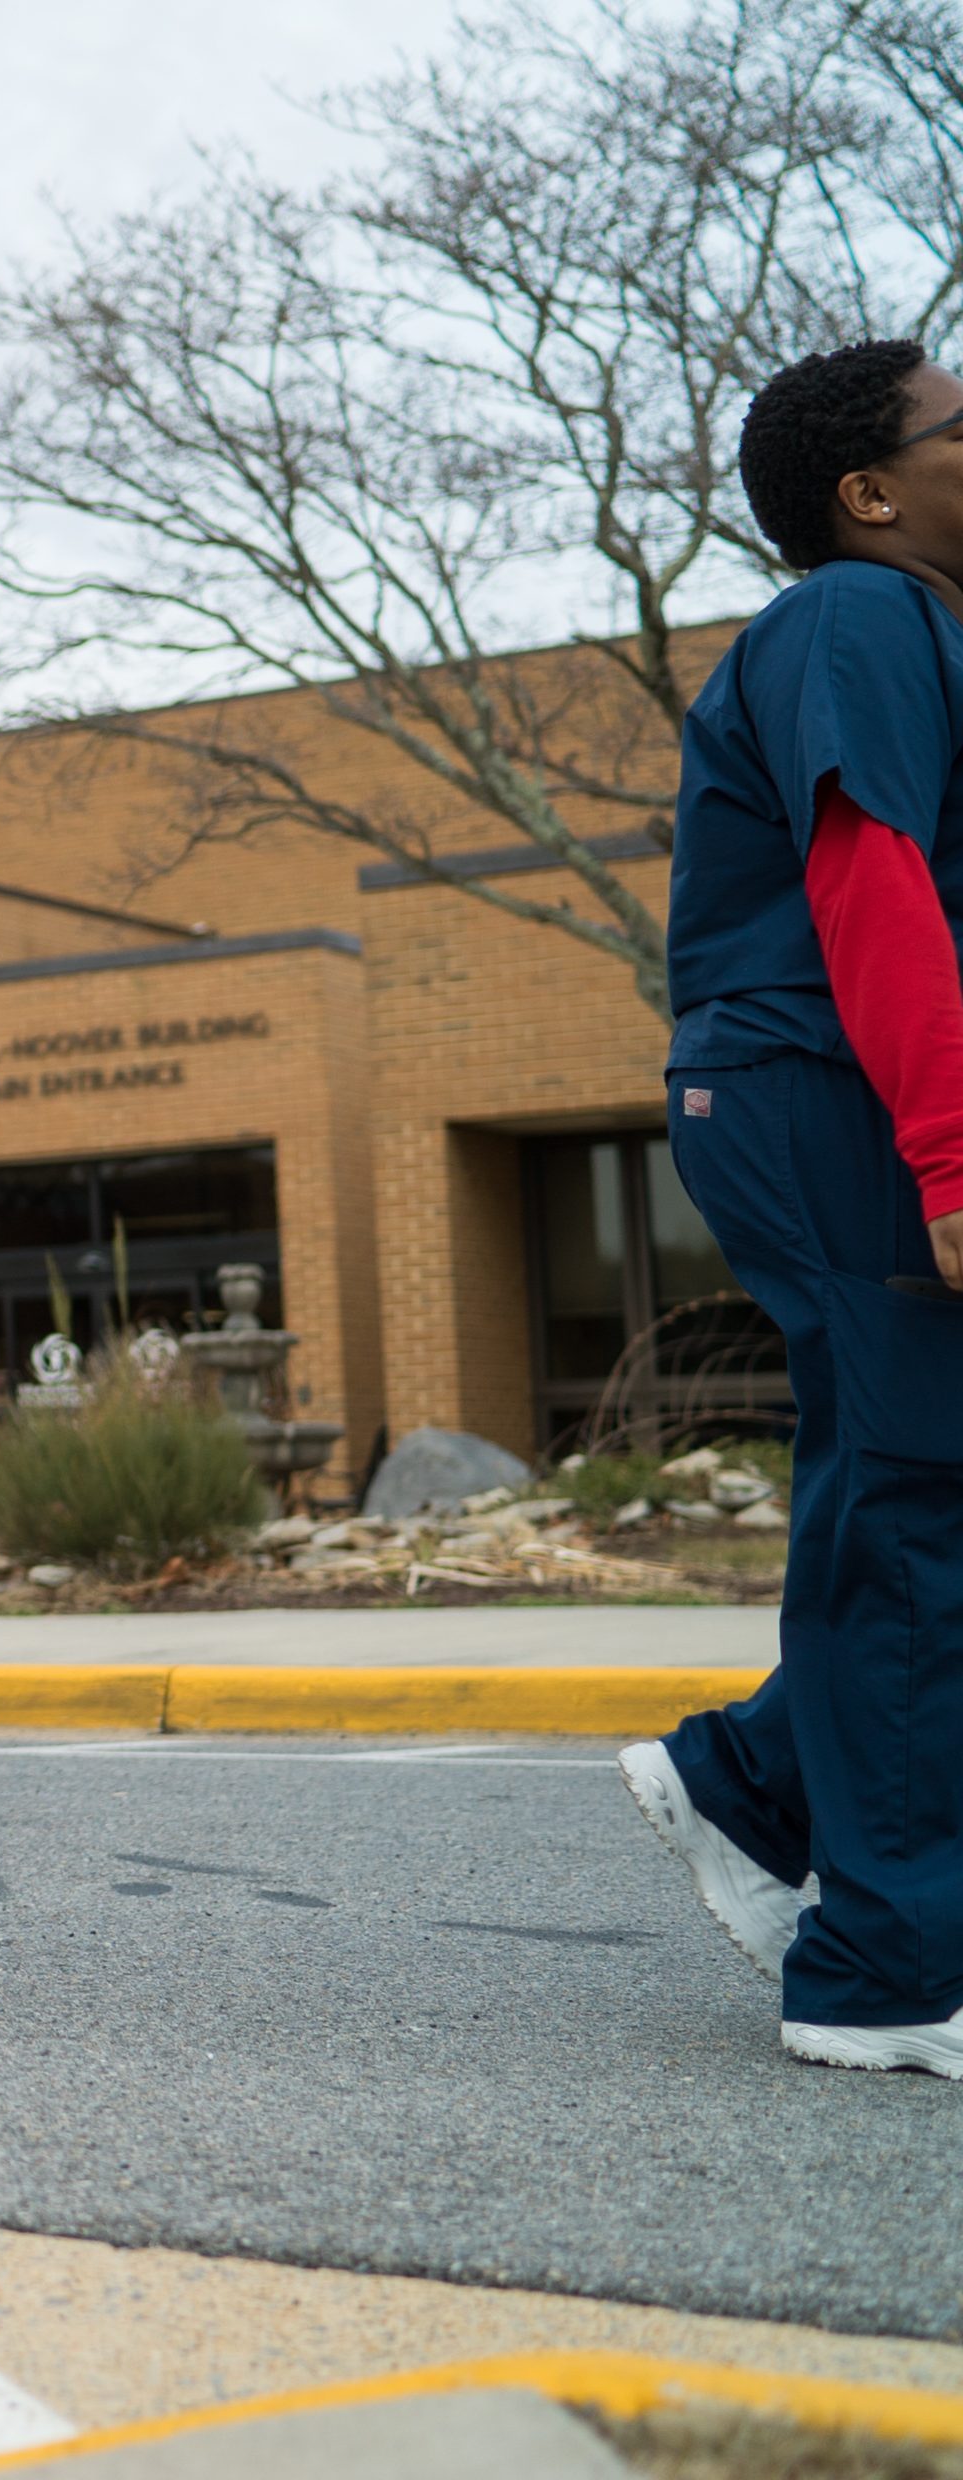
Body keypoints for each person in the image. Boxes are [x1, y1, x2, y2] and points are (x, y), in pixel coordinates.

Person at [621, 339, 963, 2078]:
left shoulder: (923, 631)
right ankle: (886, 1974)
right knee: (911, 1509)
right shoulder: (858, 617)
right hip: (824, 1094)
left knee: (930, 1500)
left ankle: (753, 1781)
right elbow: (869, 873)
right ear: (872, 491)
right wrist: (952, 1153)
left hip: (840, 1095)